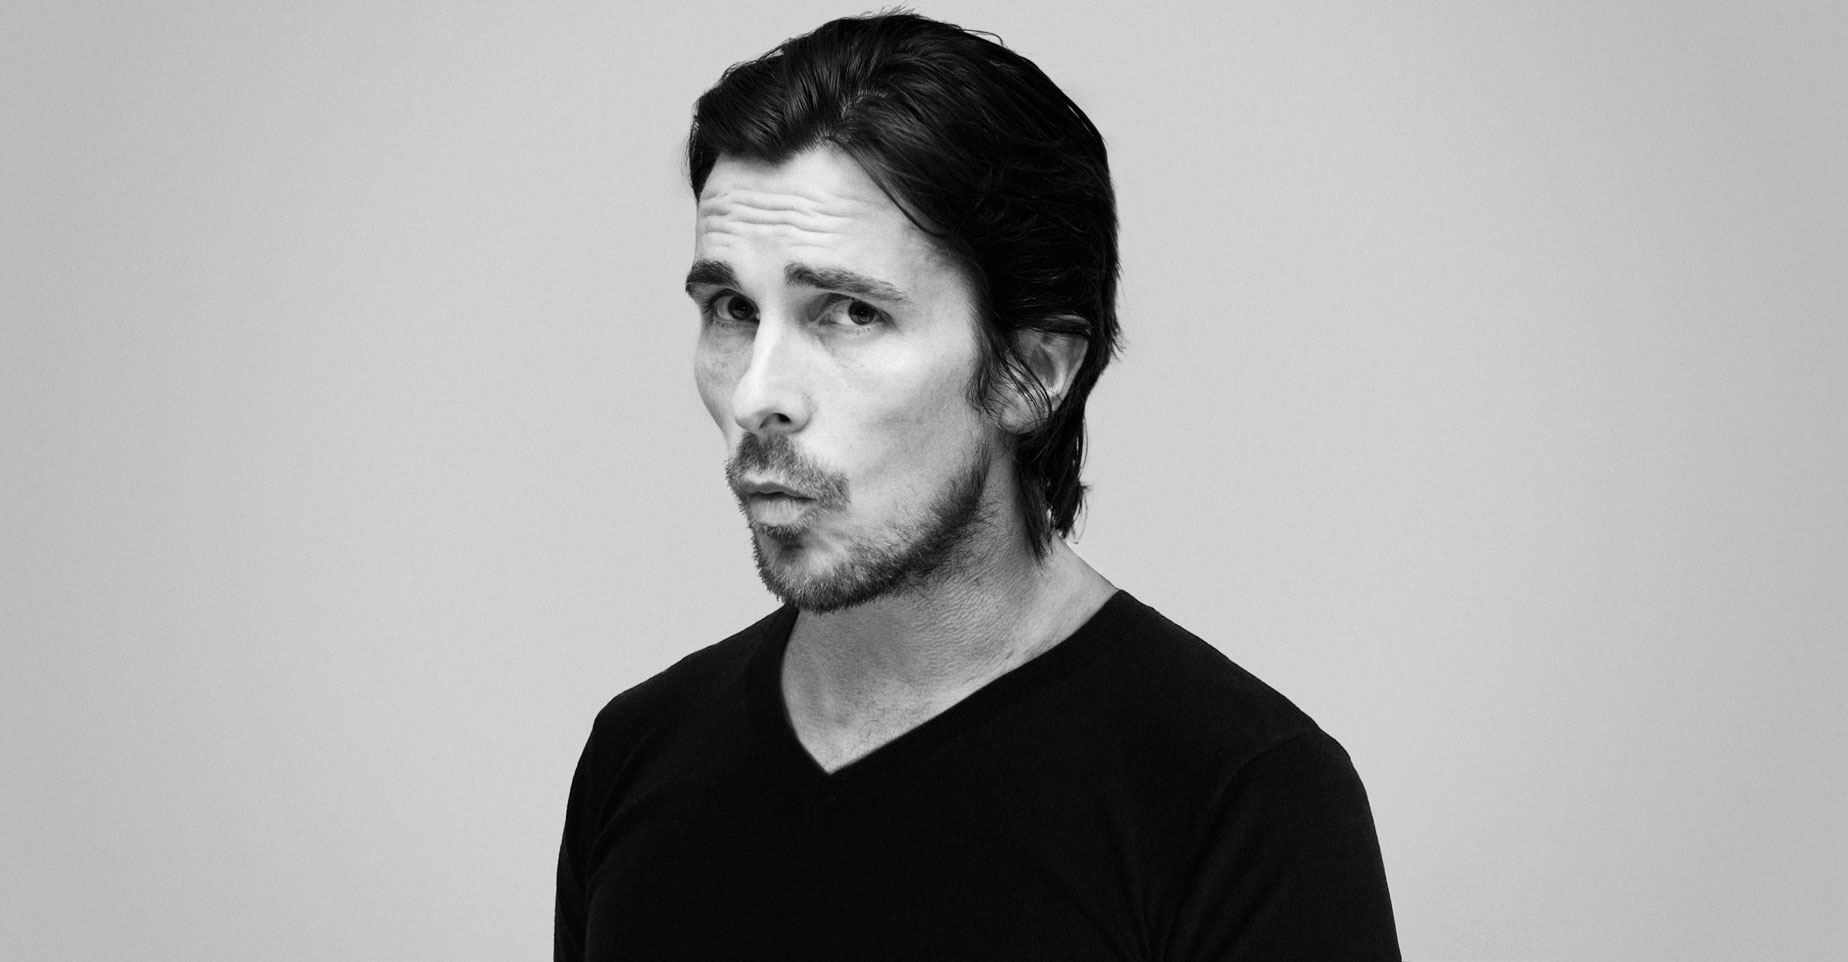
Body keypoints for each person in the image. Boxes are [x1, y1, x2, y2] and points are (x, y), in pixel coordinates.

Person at [556, 12, 1398, 960]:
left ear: (1032, 372)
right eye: (731, 309)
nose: (758, 395)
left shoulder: (1240, 801)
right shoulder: (638, 754)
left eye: (850, 312)